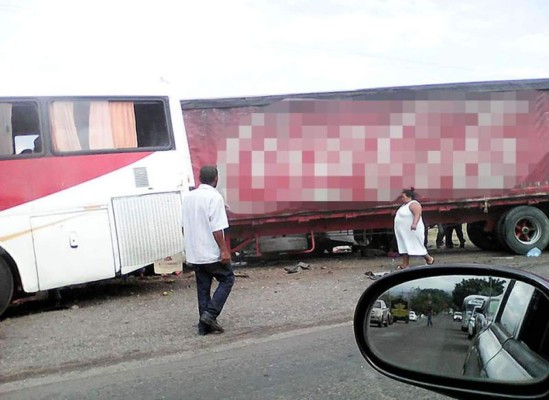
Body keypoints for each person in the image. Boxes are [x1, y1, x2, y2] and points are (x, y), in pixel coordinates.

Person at [181, 165, 235, 336]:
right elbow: (217, 228)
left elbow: (184, 226)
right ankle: (210, 314)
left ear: (200, 178)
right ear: (216, 179)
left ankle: (203, 326)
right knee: (227, 279)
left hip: (195, 252)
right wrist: (224, 250)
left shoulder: (189, 198)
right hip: (210, 251)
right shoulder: (214, 197)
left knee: (203, 287)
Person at [393, 188, 435, 269]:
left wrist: (414, 224)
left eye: (403, 197)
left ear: (409, 196)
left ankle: (429, 259)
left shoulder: (414, 204)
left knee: (416, 246)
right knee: (404, 246)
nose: (402, 198)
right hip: (404, 232)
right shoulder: (404, 205)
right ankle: (405, 264)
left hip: (412, 231)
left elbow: (417, 214)